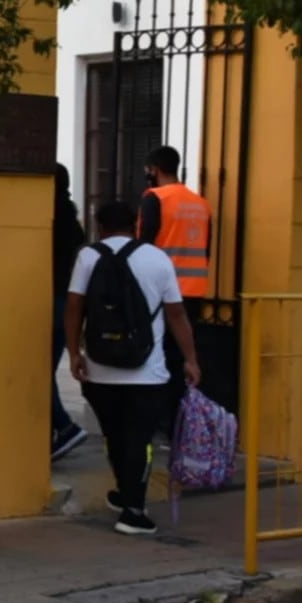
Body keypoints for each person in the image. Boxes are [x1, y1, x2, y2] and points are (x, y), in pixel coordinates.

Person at [66, 200, 200, 537]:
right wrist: (191, 358)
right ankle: (134, 511)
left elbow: (73, 308)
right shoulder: (157, 259)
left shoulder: (88, 256)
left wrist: (73, 354)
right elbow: (176, 315)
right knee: (139, 439)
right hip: (147, 372)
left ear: (99, 225)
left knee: (115, 434)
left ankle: (125, 491)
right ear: (136, 224)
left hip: (99, 369)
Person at [138, 145, 212, 431]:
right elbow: (206, 250)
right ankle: (179, 423)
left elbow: (144, 243)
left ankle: (158, 420)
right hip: (194, 290)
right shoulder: (201, 203)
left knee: (158, 357)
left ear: (154, 168)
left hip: (161, 293)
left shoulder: (154, 198)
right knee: (184, 357)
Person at [50, 164, 88, 461]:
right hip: (66, 301)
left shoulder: (48, 218)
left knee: (39, 373)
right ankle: (56, 430)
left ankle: (64, 427)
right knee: (45, 370)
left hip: (50, 300)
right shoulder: (72, 221)